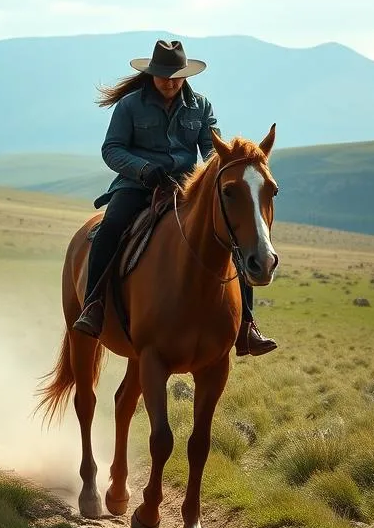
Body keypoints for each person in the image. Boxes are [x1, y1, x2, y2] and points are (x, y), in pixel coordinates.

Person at [71, 38, 278, 357]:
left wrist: (220, 172)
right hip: (137, 185)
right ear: (152, 73)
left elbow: (212, 151)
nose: (169, 82)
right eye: (163, 75)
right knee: (110, 228)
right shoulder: (130, 105)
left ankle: (246, 325)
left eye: (176, 75)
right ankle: (95, 307)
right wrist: (144, 170)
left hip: (185, 187)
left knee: (232, 236)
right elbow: (111, 149)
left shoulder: (201, 106)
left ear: (185, 75)